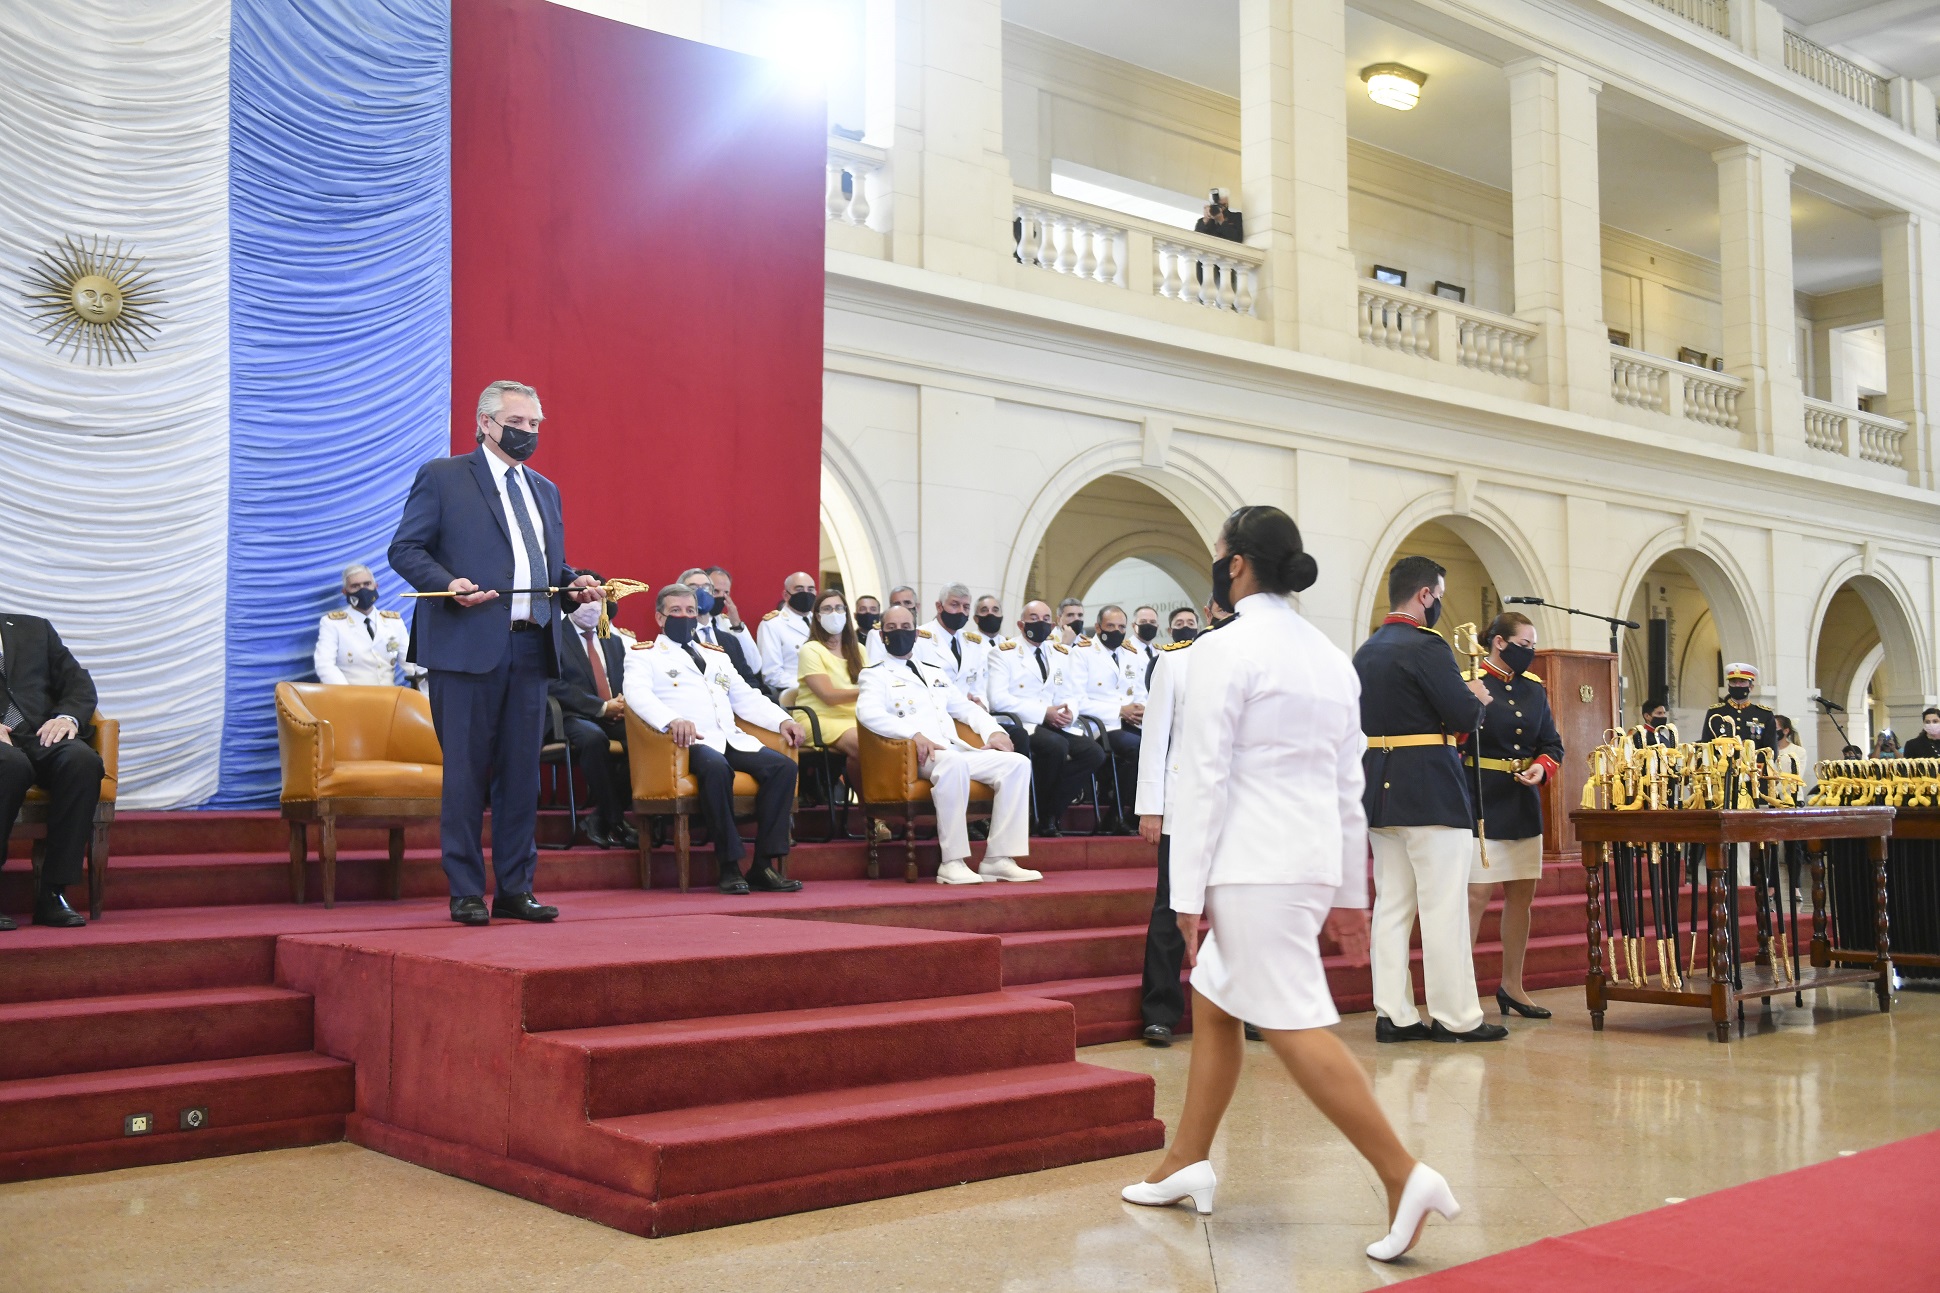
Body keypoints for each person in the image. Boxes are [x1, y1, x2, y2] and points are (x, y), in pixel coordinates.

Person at [1124, 506, 1457, 1264]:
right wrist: (1347, 891)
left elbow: (1201, 774)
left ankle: (1404, 1175)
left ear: (1236, 564)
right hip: (1302, 861)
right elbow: (1350, 785)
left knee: (1292, 1022)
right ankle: (1187, 1158)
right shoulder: (1327, 653)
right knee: (1214, 1001)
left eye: (1218, 555)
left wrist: (1183, 893)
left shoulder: (1224, 649)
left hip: (1251, 865)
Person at [389, 379, 603, 926]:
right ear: (486, 423)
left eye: (536, 424)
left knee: (520, 776)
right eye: (519, 422)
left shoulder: (546, 490)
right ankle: (464, 890)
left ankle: (515, 887)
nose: (529, 432)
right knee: (464, 773)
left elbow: (547, 569)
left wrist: (575, 582)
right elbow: (405, 548)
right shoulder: (443, 477)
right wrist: (448, 583)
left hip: (532, 647)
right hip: (465, 649)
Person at [1354, 555, 1505, 1043]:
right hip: (1431, 791)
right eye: (1438, 595)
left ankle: (1393, 1015)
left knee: (1393, 905)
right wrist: (1477, 696)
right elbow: (1460, 713)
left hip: (1381, 788)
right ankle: (1455, 1016)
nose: (1438, 603)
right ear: (1424, 595)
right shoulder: (1426, 646)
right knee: (1443, 906)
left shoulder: (1367, 648)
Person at [624, 584, 806, 894]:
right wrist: (671, 720)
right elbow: (636, 695)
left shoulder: (715, 655)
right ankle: (729, 865)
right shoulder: (645, 655)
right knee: (717, 768)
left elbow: (746, 696)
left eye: (690, 611)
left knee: (783, 768)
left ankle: (763, 864)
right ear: (660, 617)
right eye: (676, 611)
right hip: (683, 743)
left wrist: (783, 719)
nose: (685, 616)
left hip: (729, 737)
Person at [857, 604, 1038, 885]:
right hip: (914, 754)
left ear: (916, 634)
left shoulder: (934, 672)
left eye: (906, 628)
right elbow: (868, 714)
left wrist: (993, 732)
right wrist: (913, 734)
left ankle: (998, 859)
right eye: (892, 629)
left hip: (952, 749)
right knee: (952, 764)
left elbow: (966, 708)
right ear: (882, 636)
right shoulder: (874, 674)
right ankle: (952, 862)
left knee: (1016, 763)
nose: (900, 633)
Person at [1132, 604, 1227, 1045]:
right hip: (1184, 802)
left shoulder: (1253, 660)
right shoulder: (1176, 659)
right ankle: (1160, 1010)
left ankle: (1244, 1008)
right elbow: (1155, 738)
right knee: (1170, 907)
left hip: (1238, 806)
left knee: (1236, 909)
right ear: (1210, 610)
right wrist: (1151, 806)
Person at [1463, 611, 1563, 1020]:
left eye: (1533, 646)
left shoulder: (1534, 690)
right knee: (1475, 897)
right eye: (1524, 645)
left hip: (1522, 801)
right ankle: (1462, 993)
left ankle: (1512, 986)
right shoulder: (1471, 682)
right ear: (1499, 642)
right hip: (1481, 798)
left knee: (1521, 898)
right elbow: (1455, 742)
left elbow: (1552, 743)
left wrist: (1541, 767)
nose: (1530, 653)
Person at [0, 612, 101, 929]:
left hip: (41, 733)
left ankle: (53, 893)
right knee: (11, 765)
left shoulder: (34, 628)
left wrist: (67, 717)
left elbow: (77, 683)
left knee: (82, 761)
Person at [985, 600, 1107, 836]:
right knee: (1055, 746)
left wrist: (1068, 712)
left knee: (1094, 753)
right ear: (1021, 624)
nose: (1039, 624)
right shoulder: (1003, 653)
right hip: (1022, 722)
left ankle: (1050, 810)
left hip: (1054, 722)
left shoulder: (1059, 653)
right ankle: (1042, 815)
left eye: (1045, 620)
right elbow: (998, 700)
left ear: (1053, 625)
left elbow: (1069, 692)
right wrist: (1044, 713)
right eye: (1033, 619)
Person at [550, 575, 637, 850]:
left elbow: (624, 676)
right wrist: (600, 707)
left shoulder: (609, 636)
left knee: (646, 738)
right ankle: (615, 819)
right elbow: (552, 683)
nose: (592, 605)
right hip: (569, 715)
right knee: (593, 738)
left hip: (613, 712)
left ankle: (600, 817)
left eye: (598, 599)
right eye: (586, 598)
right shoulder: (553, 635)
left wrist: (623, 699)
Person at [1073, 605, 1144, 833]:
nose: (1116, 631)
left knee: (1161, 744)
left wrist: (1142, 710)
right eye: (1110, 626)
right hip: (1099, 725)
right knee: (1138, 749)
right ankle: (1117, 814)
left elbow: (1141, 692)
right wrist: (1119, 710)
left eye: (1121, 627)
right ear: (1098, 627)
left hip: (1131, 721)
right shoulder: (1082, 653)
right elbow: (1078, 701)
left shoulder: (1131, 653)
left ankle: (1137, 813)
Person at [795, 589, 865, 792]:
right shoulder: (811, 649)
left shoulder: (859, 649)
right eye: (827, 609)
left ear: (846, 613)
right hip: (818, 718)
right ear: (817, 616)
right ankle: (872, 811)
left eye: (838, 608)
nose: (834, 613)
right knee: (866, 746)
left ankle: (878, 806)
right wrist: (866, 691)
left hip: (855, 719)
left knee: (890, 742)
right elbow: (829, 696)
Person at [313, 564, 418, 688]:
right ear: (345, 592)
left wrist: (427, 679)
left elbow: (410, 662)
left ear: (375, 586)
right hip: (350, 700)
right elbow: (325, 665)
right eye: (355, 586)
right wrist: (348, 695)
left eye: (367, 584)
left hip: (389, 699)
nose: (362, 590)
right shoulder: (333, 623)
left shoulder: (393, 622)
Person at [678, 568, 762, 692]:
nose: (722, 597)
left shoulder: (728, 636)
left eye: (707, 588)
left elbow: (751, 673)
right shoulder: (677, 635)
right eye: (694, 588)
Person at [913, 583, 993, 707]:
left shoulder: (973, 643)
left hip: (970, 714)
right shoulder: (919, 639)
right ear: (939, 607)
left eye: (966, 607)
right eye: (955, 605)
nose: (961, 611)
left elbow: (978, 689)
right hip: (936, 713)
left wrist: (982, 706)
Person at [1703, 663, 1776, 750]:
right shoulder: (1715, 712)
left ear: (1751, 687)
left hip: (1752, 762)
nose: (1737, 685)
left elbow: (1770, 750)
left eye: (1742, 682)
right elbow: (1706, 744)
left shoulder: (1764, 714)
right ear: (1728, 687)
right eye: (1733, 682)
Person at [862, 585, 919, 663]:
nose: (902, 607)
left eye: (907, 603)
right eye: (897, 604)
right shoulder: (876, 634)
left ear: (917, 607)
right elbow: (873, 663)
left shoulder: (924, 634)